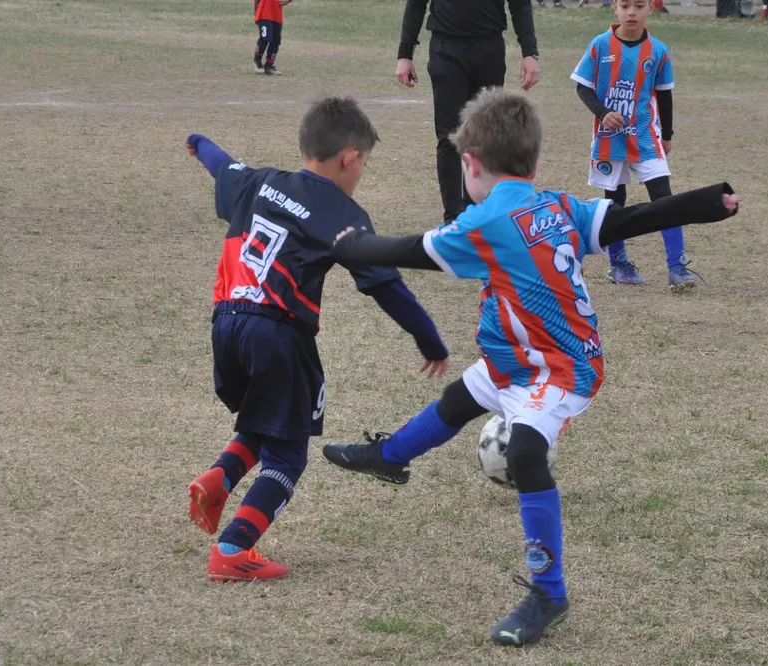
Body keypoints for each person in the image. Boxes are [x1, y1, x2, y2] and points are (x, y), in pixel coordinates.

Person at [321, 89, 738, 645]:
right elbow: (631, 218)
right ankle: (388, 457)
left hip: (562, 369)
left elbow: (404, 250)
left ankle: (549, 592)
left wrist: (349, 246)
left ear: (470, 165)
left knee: (523, 450)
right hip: (513, 360)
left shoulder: (485, 221)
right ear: (534, 163)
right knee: (457, 402)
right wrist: (706, 202)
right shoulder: (555, 206)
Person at [184, 97, 449, 582]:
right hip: (278, 332)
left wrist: (200, 143)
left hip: (227, 323)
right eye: (363, 164)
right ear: (350, 157)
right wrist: (429, 340)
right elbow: (388, 288)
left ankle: (219, 478)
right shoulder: (342, 213)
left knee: (268, 418)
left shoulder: (259, 180)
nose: (361, 174)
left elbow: (221, 165)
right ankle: (233, 549)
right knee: (289, 453)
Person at [570, 0, 694, 290]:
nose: (631, 12)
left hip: (645, 135)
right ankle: (619, 264)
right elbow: (582, 86)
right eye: (625, 5)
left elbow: (664, 95)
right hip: (609, 138)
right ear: (615, 7)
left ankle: (677, 267)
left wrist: (668, 135)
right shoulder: (600, 45)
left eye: (639, 5)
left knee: (664, 198)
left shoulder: (658, 51)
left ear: (650, 8)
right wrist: (602, 113)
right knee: (615, 201)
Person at [395, 0, 542, 222]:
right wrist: (405, 54)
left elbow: (520, 4)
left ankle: (479, 213)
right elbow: (416, 3)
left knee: (488, 136)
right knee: (449, 137)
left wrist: (530, 52)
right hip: (446, 48)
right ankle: (453, 218)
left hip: (489, 48)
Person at [253, 0, 291, 76]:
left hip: (276, 14)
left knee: (275, 41)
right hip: (264, 11)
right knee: (265, 37)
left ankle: (269, 66)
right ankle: (257, 60)